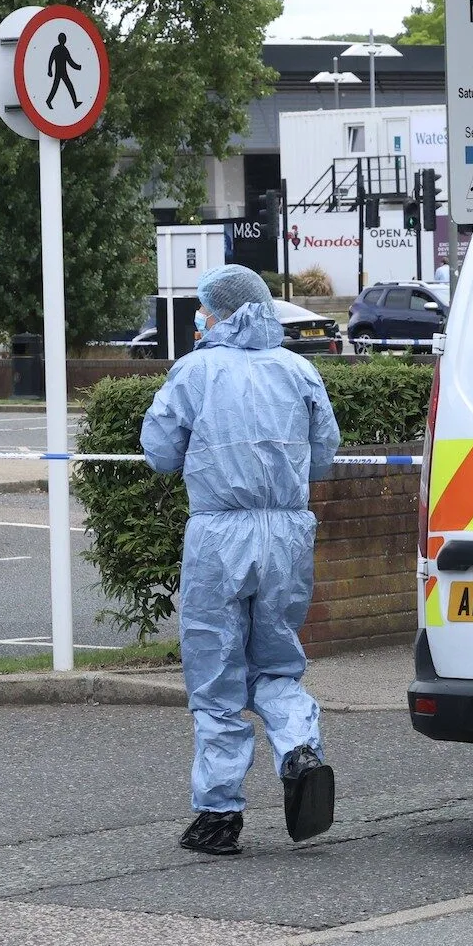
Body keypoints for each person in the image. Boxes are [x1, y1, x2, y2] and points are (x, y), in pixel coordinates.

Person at [142, 266, 342, 856]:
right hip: (286, 534)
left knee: (216, 676)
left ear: (216, 313)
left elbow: (158, 451)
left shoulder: (196, 370)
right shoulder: (299, 369)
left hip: (218, 535)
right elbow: (324, 457)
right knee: (276, 662)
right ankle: (300, 749)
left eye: (204, 310)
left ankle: (218, 814)